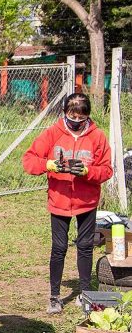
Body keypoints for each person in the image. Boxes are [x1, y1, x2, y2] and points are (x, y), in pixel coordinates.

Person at [22, 93, 113, 314]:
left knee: (85, 247)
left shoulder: (97, 136)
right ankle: (54, 296)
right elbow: (29, 160)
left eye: (81, 119)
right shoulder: (52, 133)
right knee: (59, 248)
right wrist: (50, 165)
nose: (76, 123)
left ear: (87, 116)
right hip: (59, 200)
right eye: (72, 117)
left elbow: (107, 169)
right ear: (64, 114)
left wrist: (88, 171)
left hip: (86, 201)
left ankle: (85, 293)